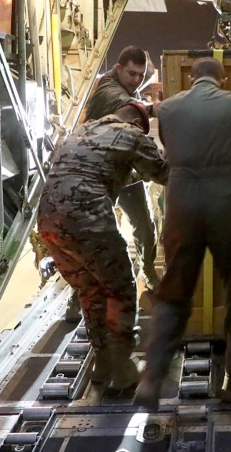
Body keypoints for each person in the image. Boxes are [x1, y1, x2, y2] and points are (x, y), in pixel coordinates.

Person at [134, 57, 231, 410]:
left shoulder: (168, 108)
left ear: (191, 78)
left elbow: (169, 147)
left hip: (182, 200)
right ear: (224, 77)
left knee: (174, 289)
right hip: (227, 197)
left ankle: (152, 377)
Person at [36, 102, 168, 391]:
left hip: (48, 222)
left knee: (91, 289)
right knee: (120, 287)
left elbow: (104, 171)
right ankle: (122, 367)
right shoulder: (131, 133)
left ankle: (102, 362)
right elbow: (164, 173)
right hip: (86, 219)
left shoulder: (83, 131)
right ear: (135, 120)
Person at [81, 46, 161, 296]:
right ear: (117, 70)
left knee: (146, 228)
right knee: (97, 234)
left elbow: (145, 71)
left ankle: (147, 270)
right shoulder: (109, 90)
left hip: (124, 171)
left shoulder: (129, 81)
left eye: (140, 75)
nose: (136, 79)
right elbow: (126, 105)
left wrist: (149, 67)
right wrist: (151, 108)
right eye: (131, 74)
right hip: (98, 174)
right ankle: (83, 291)